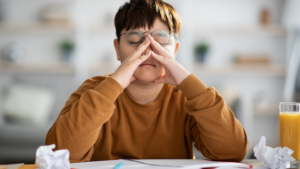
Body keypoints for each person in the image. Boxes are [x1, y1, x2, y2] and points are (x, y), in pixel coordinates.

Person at [46, 0, 248, 163]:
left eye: (160, 39)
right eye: (135, 39)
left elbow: (234, 151)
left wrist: (188, 82)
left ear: (175, 50)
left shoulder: (187, 98)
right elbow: (58, 156)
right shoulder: (94, 90)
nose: (147, 49)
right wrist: (114, 84)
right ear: (117, 49)